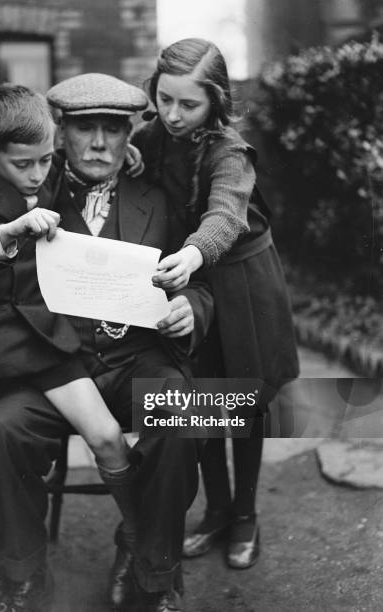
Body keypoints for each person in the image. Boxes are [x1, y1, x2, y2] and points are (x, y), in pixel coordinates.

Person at [0, 73, 214, 612]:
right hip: (53, 362)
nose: (100, 144)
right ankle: (25, 572)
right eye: (86, 130)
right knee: (2, 429)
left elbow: (198, 282)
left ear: (130, 134)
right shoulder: (31, 185)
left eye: (113, 129)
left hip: (136, 359)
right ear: (61, 133)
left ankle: (151, 570)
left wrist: (189, 309)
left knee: (184, 414)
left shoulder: (158, 196)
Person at [131, 38, 300, 568]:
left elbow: (225, 213)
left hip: (243, 280)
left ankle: (246, 515)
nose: (174, 115)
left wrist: (193, 252)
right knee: (201, 400)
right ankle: (217, 511)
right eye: (164, 100)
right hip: (192, 286)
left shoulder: (231, 150)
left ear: (215, 101)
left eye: (189, 104)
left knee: (245, 403)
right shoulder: (150, 137)